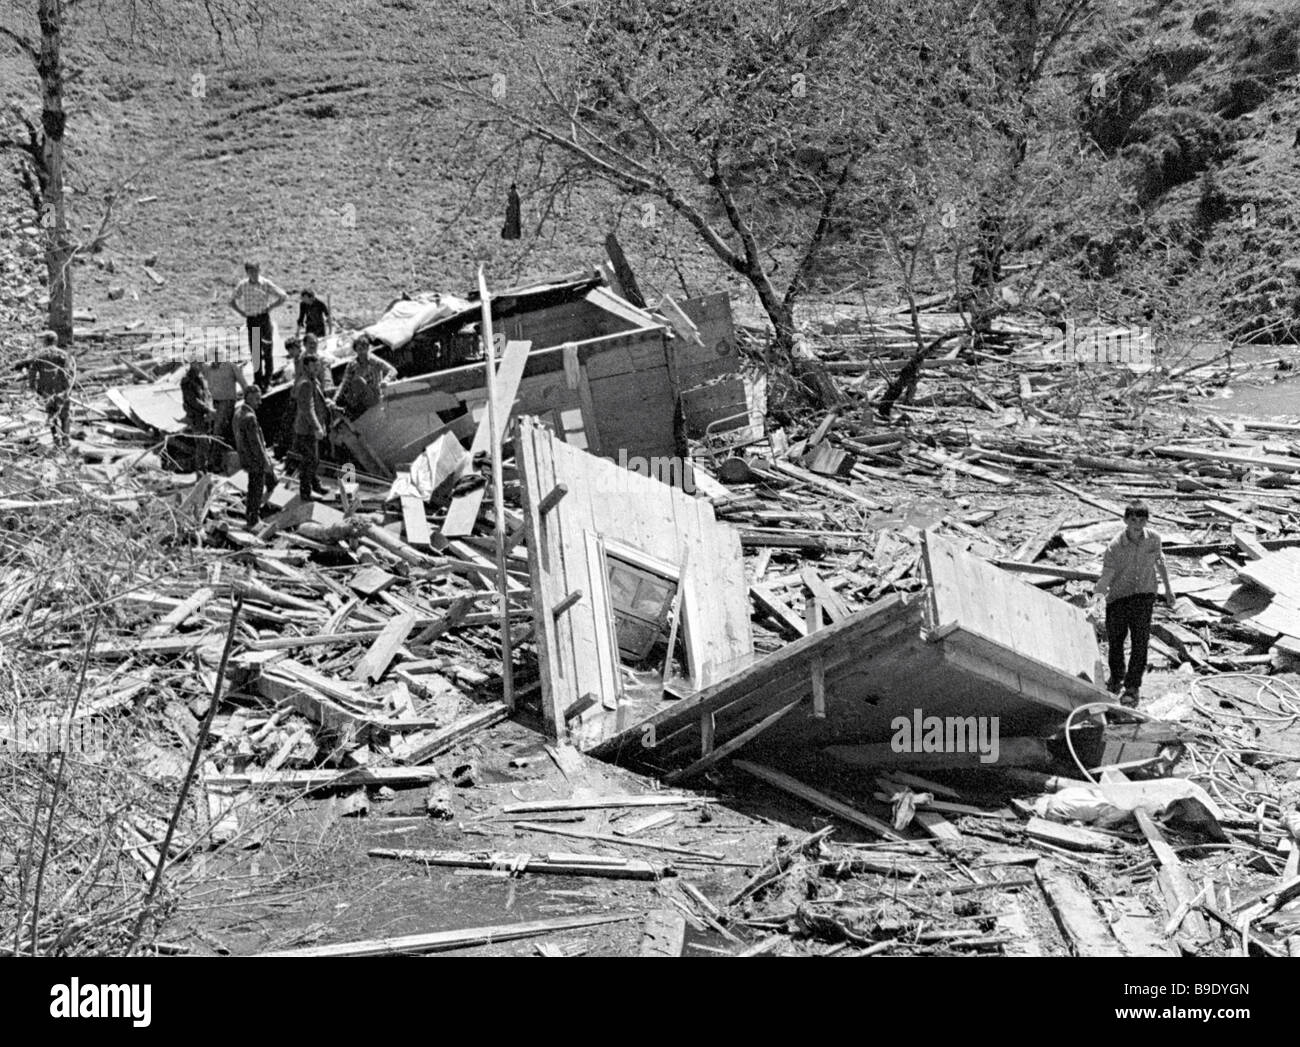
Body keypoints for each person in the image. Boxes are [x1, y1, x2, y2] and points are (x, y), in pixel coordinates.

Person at [1093, 501, 1175, 706]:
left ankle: (1132, 686)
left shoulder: (1154, 539)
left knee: (1140, 642)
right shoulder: (1115, 546)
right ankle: (1116, 677)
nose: (1137, 524)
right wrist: (1097, 600)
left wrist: (1168, 589)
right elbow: (1106, 577)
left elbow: (1160, 562)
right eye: (1133, 520)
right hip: (1119, 598)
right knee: (1116, 642)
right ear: (1125, 520)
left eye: (1142, 520)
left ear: (1147, 521)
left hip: (1144, 596)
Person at [229, 260, 287, 391]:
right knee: (255, 352)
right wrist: (241, 312)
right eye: (251, 271)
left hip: (263, 319)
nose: (254, 274)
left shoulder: (265, 283)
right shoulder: (243, 285)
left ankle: (268, 380)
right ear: (247, 272)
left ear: (259, 270)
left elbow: (283, 296)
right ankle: (258, 380)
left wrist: (271, 306)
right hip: (252, 320)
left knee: (267, 350)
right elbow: (231, 300)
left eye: (256, 270)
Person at [20, 330, 75, 447]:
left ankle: (56, 440)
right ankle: (66, 440)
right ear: (56, 341)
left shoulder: (40, 356)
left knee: (51, 415)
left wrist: (33, 387)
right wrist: (69, 388)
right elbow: (69, 372)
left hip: (46, 391)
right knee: (65, 416)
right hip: (62, 390)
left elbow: (32, 373)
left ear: (45, 341)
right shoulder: (63, 355)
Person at [233, 385, 276, 527]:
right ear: (249, 397)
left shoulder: (238, 413)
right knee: (256, 489)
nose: (260, 402)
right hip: (255, 460)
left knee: (253, 487)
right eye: (257, 399)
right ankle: (253, 519)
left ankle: (251, 516)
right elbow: (256, 444)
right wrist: (265, 462)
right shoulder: (250, 417)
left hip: (245, 458)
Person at [292, 349, 331, 502]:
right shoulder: (306, 384)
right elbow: (307, 408)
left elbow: (317, 402)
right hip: (306, 429)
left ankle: (315, 485)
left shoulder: (314, 381)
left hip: (311, 428)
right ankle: (306, 492)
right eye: (313, 367)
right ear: (306, 367)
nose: (317, 369)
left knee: (313, 458)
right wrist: (317, 427)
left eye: (318, 366)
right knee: (310, 460)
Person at [333, 335, 397, 421]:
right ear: (356, 350)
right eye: (359, 349)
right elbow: (344, 383)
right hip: (360, 397)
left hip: (375, 395)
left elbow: (392, 370)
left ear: (368, 348)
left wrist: (386, 380)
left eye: (364, 348)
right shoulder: (352, 365)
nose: (362, 352)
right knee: (356, 382)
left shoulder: (374, 361)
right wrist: (335, 399)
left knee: (360, 382)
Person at [207, 354, 249, 466]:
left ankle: (213, 462)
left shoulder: (230, 366)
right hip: (215, 402)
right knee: (216, 429)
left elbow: (243, 382)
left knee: (218, 429)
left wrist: (248, 398)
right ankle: (219, 459)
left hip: (227, 401)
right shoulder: (210, 369)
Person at [180, 359, 217, 472]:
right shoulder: (187, 381)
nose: (201, 366)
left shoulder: (201, 379)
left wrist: (210, 409)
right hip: (196, 417)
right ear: (192, 364)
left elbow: (207, 395)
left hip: (205, 416)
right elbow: (193, 400)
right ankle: (201, 472)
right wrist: (207, 409)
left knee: (207, 443)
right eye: (198, 364)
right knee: (202, 444)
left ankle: (205, 470)